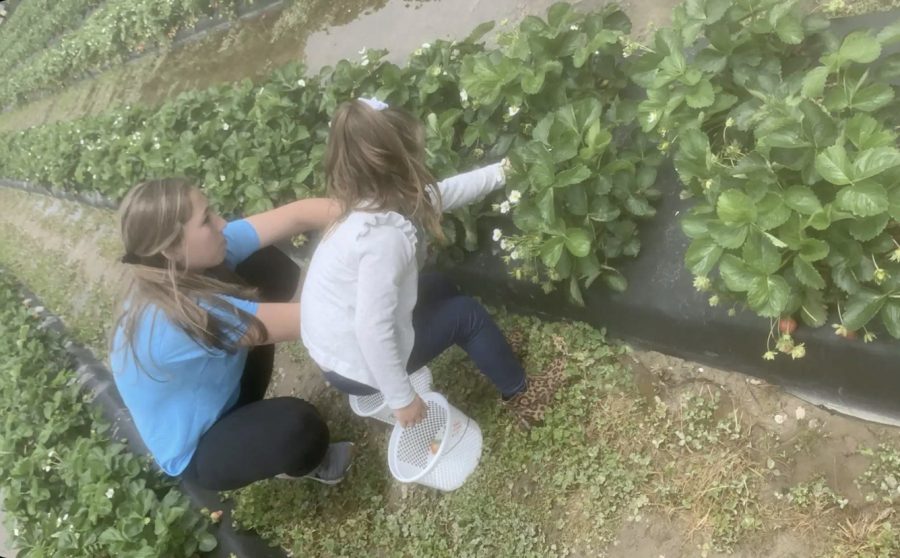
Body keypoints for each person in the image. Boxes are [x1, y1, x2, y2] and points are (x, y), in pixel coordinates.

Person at [300, 98, 565, 429]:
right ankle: (521, 395)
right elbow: (371, 330)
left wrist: (503, 171)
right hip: (354, 362)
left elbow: (446, 193)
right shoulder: (381, 240)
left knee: (439, 286)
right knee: (467, 315)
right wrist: (402, 398)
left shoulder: (369, 201)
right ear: (400, 163)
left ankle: (493, 351)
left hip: (337, 334)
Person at [109, 178, 353, 491]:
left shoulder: (183, 261)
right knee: (299, 430)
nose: (222, 223)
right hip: (202, 447)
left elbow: (295, 215)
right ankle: (300, 461)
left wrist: (366, 212)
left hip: (222, 384)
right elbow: (320, 319)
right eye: (206, 220)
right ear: (170, 248)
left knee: (265, 263)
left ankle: (249, 377)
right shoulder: (176, 319)